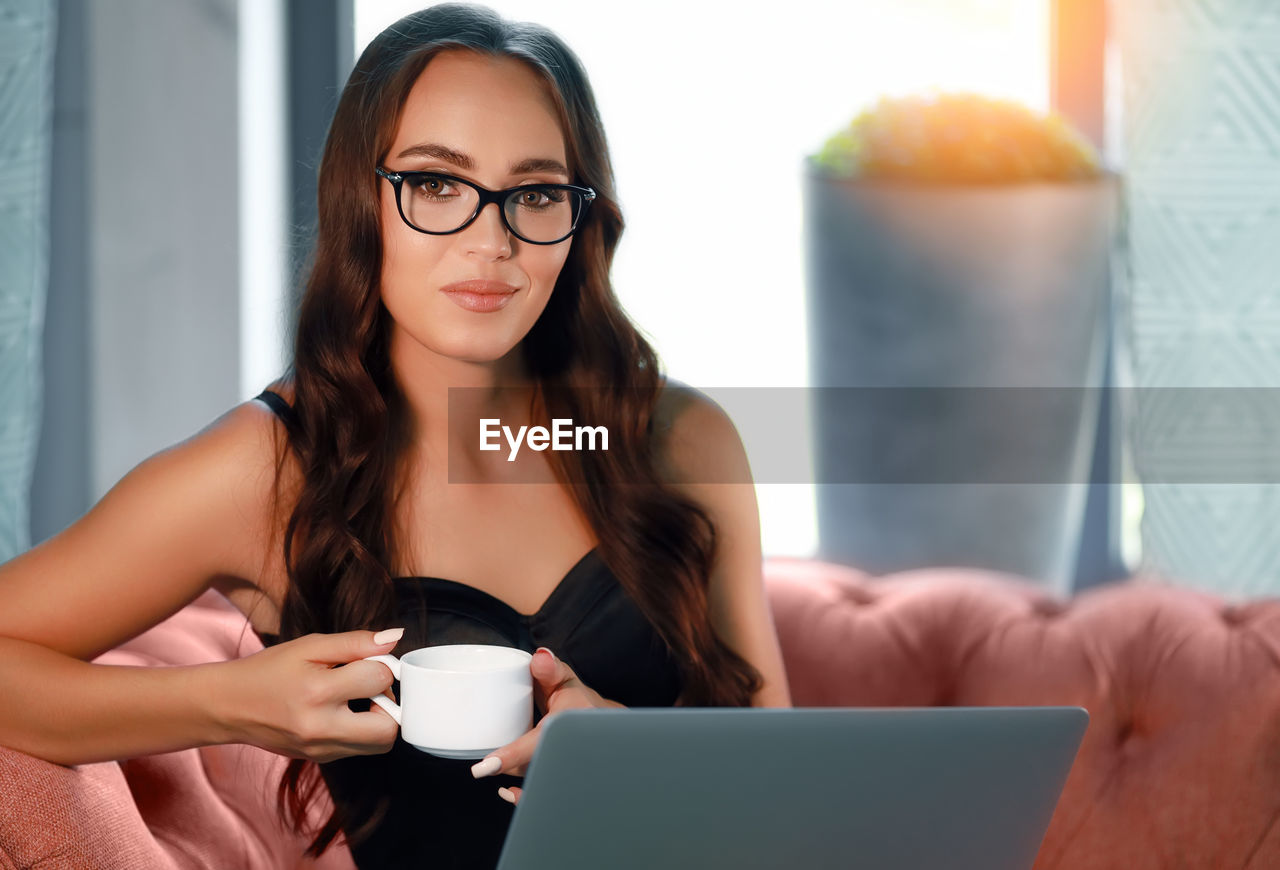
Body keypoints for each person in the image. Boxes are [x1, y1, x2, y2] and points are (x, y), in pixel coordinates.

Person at [0, 3, 791, 868]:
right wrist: (225, 702)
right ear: (362, 199)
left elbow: (785, 784)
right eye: (437, 184)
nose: (492, 241)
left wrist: (629, 761)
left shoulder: (681, 441)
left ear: (579, 217)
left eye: (534, 194)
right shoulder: (270, 469)